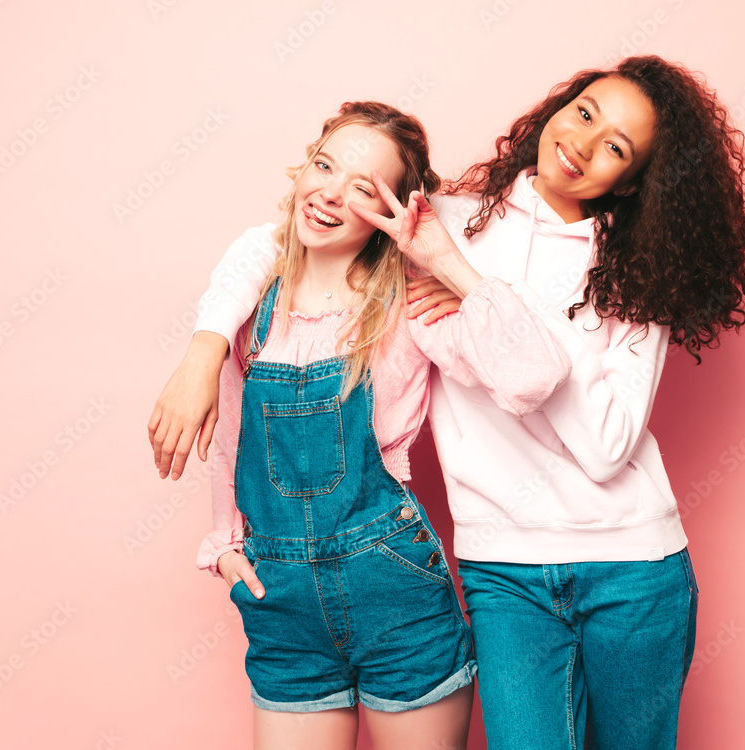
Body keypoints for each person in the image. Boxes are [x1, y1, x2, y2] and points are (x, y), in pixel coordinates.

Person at [150, 56, 745, 749]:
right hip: (502, 568)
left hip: (632, 560)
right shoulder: (448, 218)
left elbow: (599, 443)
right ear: (559, 107)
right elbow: (284, 237)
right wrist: (204, 351)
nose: (584, 143)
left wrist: (463, 277)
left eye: (616, 147)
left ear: (632, 179)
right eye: (585, 112)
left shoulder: (639, 272)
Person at [171, 101, 571, 750]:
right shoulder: (251, 303)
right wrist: (225, 544)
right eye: (325, 166)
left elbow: (533, 378)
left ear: (394, 210)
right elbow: (230, 442)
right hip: (282, 606)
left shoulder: (410, 303)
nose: (330, 193)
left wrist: (448, 264)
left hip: (395, 597)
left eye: (363, 188)